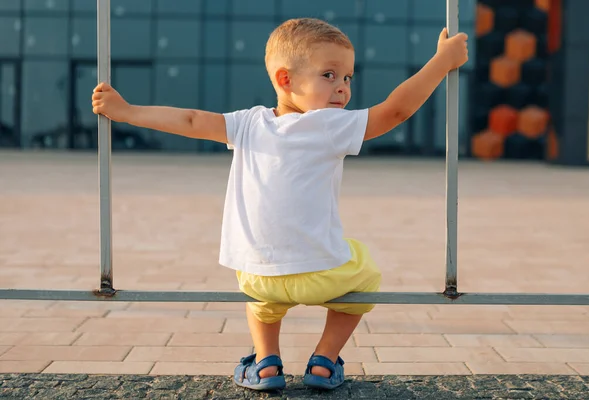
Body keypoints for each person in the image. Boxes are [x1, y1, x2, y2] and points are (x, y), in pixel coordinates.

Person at [92, 18, 468, 391]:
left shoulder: (247, 124)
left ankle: (266, 363)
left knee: (260, 303)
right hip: (320, 276)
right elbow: (395, 111)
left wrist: (127, 112)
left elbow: (189, 120)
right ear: (286, 80)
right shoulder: (329, 126)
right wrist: (442, 62)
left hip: (258, 276)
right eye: (330, 75)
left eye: (348, 78)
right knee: (366, 274)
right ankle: (323, 361)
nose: (343, 89)